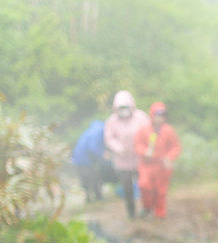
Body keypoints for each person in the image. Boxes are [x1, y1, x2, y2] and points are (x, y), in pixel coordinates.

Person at [104, 90, 150, 218]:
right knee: (128, 189)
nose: (123, 110)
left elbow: (149, 133)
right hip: (122, 161)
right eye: (120, 108)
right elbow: (109, 139)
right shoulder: (112, 121)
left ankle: (147, 209)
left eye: (125, 107)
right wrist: (118, 148)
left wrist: (145, 148)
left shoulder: (141, 117)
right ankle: (131, 212)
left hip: (140, 158)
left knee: (145, 185)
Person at [133, 102, 181, 219]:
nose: (159, 119)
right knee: (144, 186)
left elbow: (175, 147)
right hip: (147, 165)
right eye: (157, 116)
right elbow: (137, 144)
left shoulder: (169, 131)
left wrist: (170, 156)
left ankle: (160, 213)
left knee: (161, 191)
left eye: (162, 117)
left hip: (162, 166)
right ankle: (147, 208)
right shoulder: (144, 130)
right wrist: (145, 152)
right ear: (152, 116)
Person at [71, 120, 111, 202]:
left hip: (78, 157)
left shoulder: (93, 130)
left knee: (85, 178)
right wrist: (102, 154)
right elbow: (93, 147)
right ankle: (97, 196)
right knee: (95, 176)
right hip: (86, 158)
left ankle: (89, 197)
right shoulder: (100, 131)